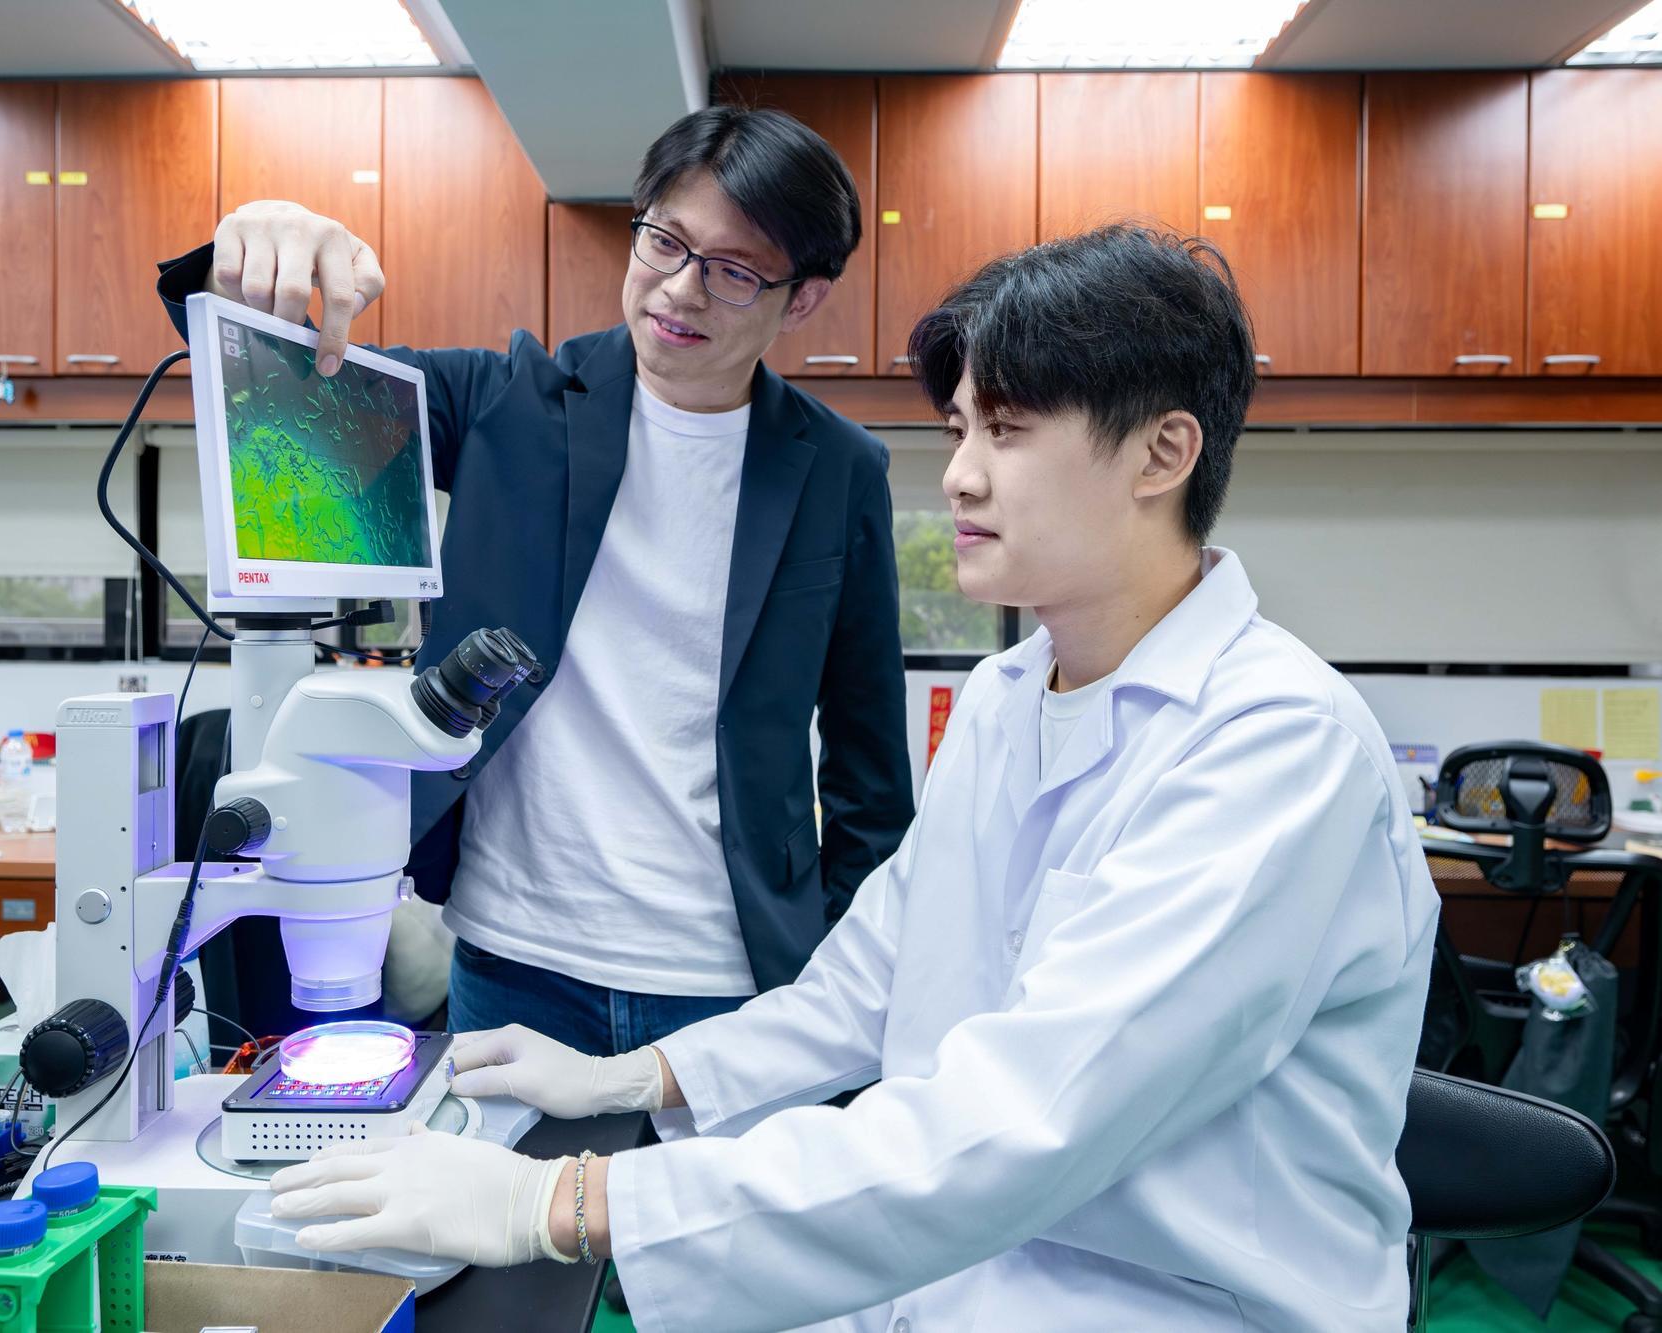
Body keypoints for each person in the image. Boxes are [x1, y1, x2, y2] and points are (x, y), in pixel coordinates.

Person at [262, 225, 1443, 1331]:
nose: (962, 479)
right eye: (961, 431)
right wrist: (636, 1072)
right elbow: (873, 983)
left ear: (1163, 452)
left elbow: (1023, 1122)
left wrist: (559, 1204)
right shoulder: (1006, 698)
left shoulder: (1275, 744)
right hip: (958, 1283)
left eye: (1010, 431)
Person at [155, 105, 916, 1052]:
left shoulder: (838, 471)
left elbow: (870, 769)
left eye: (731, 271)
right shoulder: (508, 403)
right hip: (513, 962)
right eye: (665, 242)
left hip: (736, 979)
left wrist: (838, 972)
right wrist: (254, 258)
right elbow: (285, 398)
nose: (678, 292)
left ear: (800, 298)